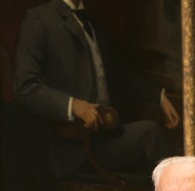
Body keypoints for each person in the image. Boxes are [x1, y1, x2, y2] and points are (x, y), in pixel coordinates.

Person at [14, 0, 180, 180]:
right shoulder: (40, 19)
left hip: (109, 133)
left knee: (159, 142)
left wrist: (159, 96)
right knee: (151, 133)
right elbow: (26, 86)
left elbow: (121, 77)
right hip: (76, 146)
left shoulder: (93, 22)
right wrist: (73, 105)